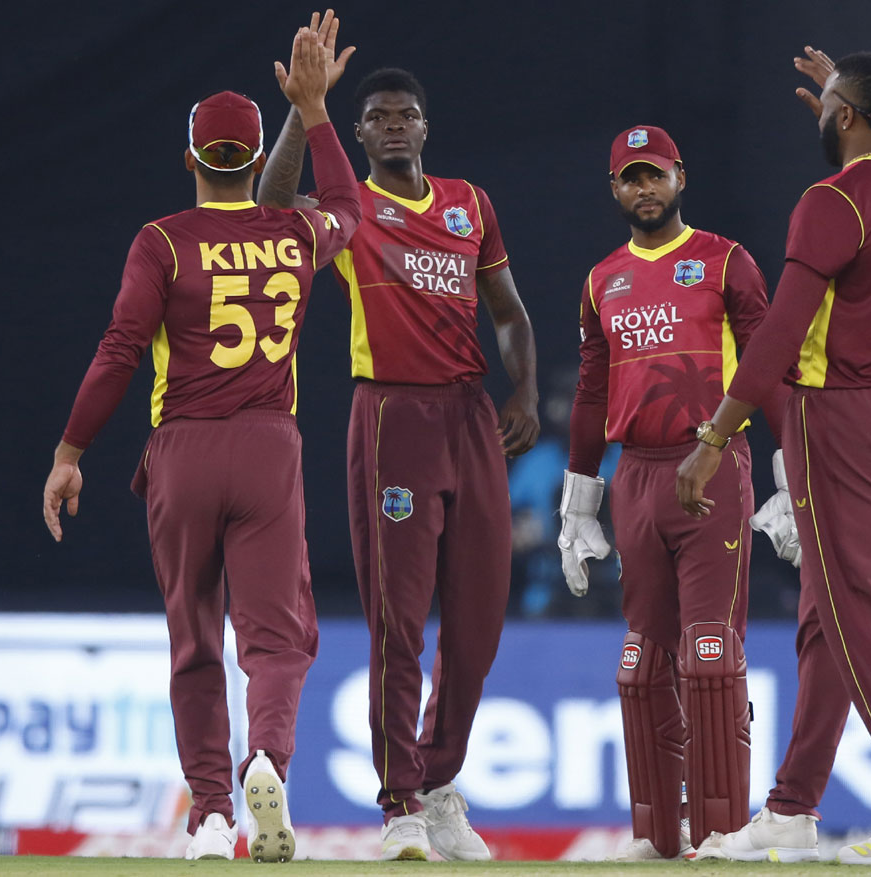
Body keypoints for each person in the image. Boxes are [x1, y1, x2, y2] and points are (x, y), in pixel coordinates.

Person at [41, 27, 361, 862]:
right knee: (278, 639)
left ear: (191, 161)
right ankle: (269, 760)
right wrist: (318, 112)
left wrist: (71, 452)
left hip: (180, 449)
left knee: (194, 639)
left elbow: (118, 351)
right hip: (266, 447)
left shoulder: (162, 240)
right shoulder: (293, 235)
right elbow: (354, 210)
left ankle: (213, 815)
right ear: (258, 164)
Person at [675, 48, 871, 866]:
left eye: (829, 106)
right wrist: (853, 93)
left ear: (845, 115)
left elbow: (775, 334)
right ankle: (793, 808)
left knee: (862, 606)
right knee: (832, 609)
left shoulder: (832, 199)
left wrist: (714, 440)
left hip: (839, 414)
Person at [258, 23, 540, 862]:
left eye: (404, 114)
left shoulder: (469, 202)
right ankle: (400, 802)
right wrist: (300, 115)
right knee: (400, 616)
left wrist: (523, 387)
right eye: (375, 115)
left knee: (481, 615)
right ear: (357, 133)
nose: (391, 124)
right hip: (393, 419)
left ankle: (440, 780)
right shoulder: (348, 217)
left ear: (424, 126)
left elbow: (510, 311)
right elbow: (273, 211)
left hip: (471, 416)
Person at [557, 124, 792, 861]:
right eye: (630, 177)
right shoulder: (602, 280)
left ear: (680, 178)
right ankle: (658, 833)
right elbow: (593, 393)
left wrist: (787, 474)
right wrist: (579, 501)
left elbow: (766, 365)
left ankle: (723, 830)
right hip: (636, 477)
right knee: (643, 661)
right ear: (615, 190)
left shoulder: (725, 262)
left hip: (712, 466)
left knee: (711, 654)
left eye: (655, 174)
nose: (644, 188)